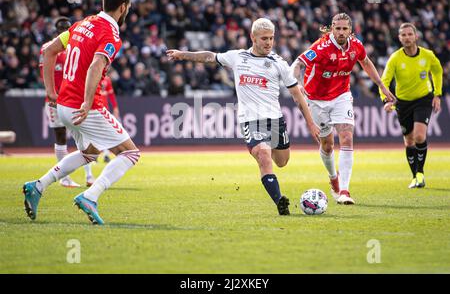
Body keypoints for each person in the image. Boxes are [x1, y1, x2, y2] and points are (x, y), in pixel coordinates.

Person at [167, 18, 320, 215]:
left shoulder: (279, 63)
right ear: (253, 38)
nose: (268, 42)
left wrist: (310, 123)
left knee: (282, 162)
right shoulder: (237, 57)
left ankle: (273, 177)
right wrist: (183, 55)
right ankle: (280, 201)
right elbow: (209, 57)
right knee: (264, 156)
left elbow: (297, 95)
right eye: (264, 38)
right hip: (250, 120)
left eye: (271, 38)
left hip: (274, 121)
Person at [23, 0, 140, 225]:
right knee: (130, 153)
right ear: (123, 7)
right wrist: (87, 102)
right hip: (84, 107)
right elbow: (97, 65)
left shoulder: (82, 24)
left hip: (63, 105)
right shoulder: (110, 34)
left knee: (90, 154)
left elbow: (49, 51)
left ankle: (37, 186)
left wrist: (50, 91)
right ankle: (90, 196)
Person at [291, 13, 395, 205]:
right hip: (316, 100)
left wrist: (381, 85)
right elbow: (297, 64)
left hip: (341, 96)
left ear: (350, 30)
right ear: (332, 28)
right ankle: (333, 178)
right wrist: (296, 83)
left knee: (346, 136)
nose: (340, 32)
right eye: (337, 28)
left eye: (344, 29)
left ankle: (345, 191)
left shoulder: (356, 45)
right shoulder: (321, 47)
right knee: (328, 145)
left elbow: (365, 62)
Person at [380, 22, 443, 189]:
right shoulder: (395, 58)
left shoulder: (428, 55)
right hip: (403, 103)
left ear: (416, 36)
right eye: (403, 35)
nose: (407, 37)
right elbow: (384, 81)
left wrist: (437, 94)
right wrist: (386, 100)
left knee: (419, 136)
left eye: (410, 34)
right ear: (400, 39)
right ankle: (415, 176)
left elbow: (437, 71)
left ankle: (420, 173)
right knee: (409, 142)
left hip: (423, 99)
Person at [39, 17, 95, 188]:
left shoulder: (76, 45)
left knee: (85, 135)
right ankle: (64, 178)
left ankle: (89, 176)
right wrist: (52, 94)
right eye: (61, 28)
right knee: (60, 135)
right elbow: (44, 73)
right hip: (55, 99)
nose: (64, 30)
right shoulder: (49, 48)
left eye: (67, 27)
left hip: (74, 97)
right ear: (56, 30)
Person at [99, 73, 120, 163]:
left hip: (104, 110)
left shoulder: (107, 79)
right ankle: (95, 155)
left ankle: (106, 154)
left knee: (105, 132)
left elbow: (111, 95)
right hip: (94, 109)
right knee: (97, 133)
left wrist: (115, 107)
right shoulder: (91, 76)